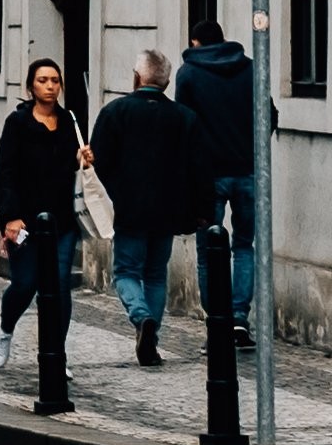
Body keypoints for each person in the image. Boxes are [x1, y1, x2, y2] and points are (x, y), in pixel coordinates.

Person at [89, 50, 200, 367]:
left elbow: (99, 164)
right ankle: (151, 335)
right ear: (165, 82)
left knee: (125, 271)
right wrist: (197, 210)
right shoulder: (184, 117)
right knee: (154, 274)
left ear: (137, 78)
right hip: (167, 211)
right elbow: (197, 168)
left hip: (127, 209)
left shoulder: (115, 112)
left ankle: (141, 317)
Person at [0, 57, 90, 379]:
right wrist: (11, 218)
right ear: (31, 86)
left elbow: (70, 167)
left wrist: (81, 158)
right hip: (25, 221)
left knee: (58, 287)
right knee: (26, 283)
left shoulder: (70, 120)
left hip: (61, 221)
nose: (50, 86)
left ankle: (55, 354)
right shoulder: (17, 124)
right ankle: (5, 328)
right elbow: (6, 172)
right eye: (43, 80)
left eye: (55, 80)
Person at [175, 23, 261, 347]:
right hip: (247, 172)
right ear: (223, 40)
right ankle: (239, 319)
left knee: (208, 251)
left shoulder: (188, 75)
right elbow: (267, 113)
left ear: (196, 42)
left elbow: (183, 126)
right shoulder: (250, 68)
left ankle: (217, 323)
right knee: (243, 246)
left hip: (207, 177)